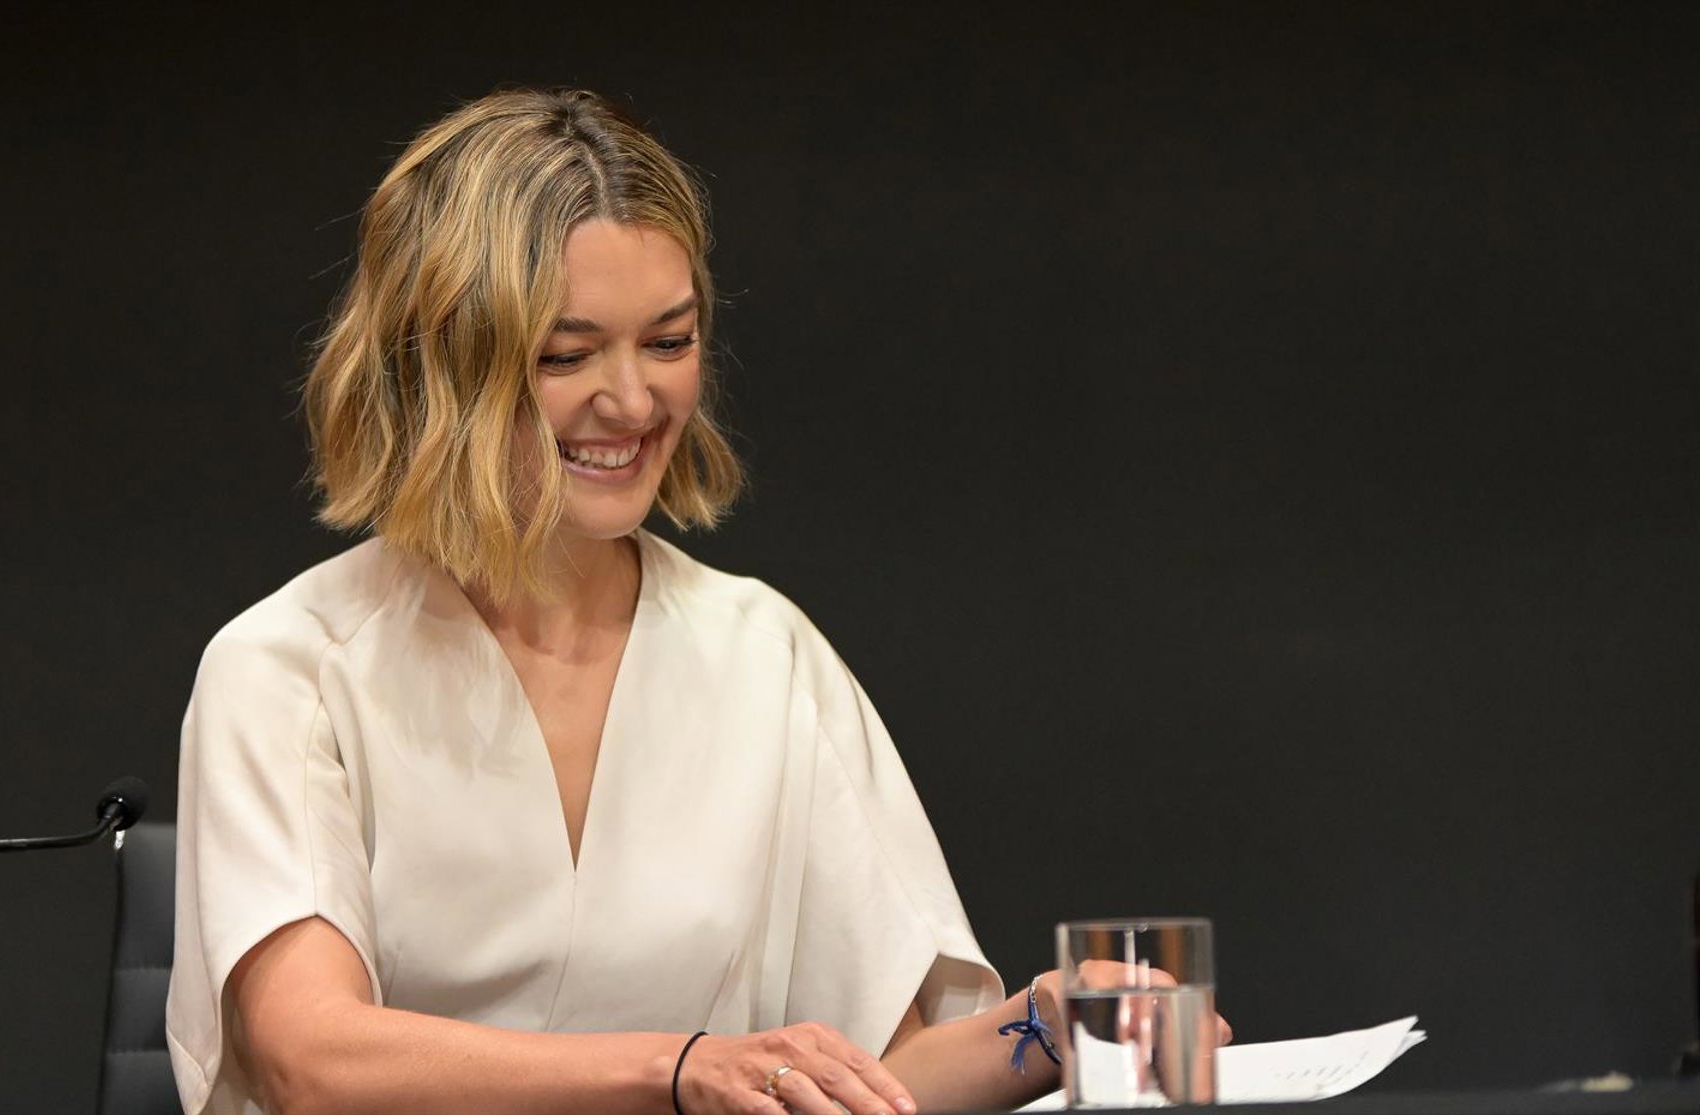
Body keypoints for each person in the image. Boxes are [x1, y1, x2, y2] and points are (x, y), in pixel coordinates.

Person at [166, 87, 1096, 1115]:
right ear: (438, 364)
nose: (634, 400)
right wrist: (680, 1066)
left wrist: (1054, 1027)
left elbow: (878, 1079)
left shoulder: (762, 651)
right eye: (567, 355)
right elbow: (311, 1059)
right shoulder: (289, 666)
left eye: (669, 341)